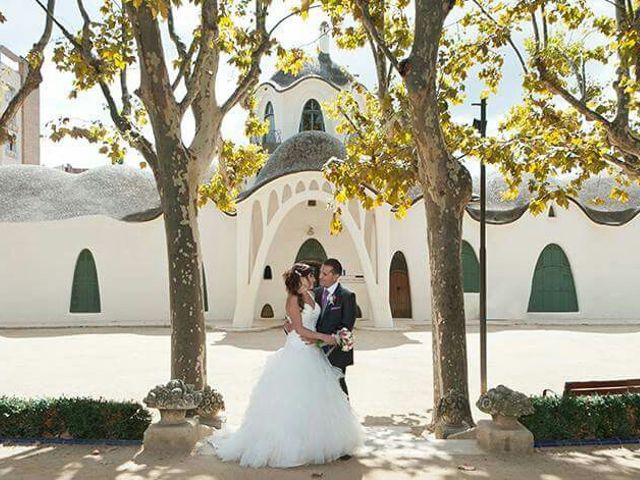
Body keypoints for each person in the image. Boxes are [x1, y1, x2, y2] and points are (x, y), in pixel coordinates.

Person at [202, 263, 363, 468]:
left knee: (317, 396)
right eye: (311, 275)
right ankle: (293, 445)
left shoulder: (312, 295)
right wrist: (326, 338)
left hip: (314, 351)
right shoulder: (293, 299)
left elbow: (319, 321)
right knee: (292, 397)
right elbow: (299, 329)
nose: (315, 278)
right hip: (298, 349)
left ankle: (319, 440)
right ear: (302, 278)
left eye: (320, 274)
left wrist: (325, 339)